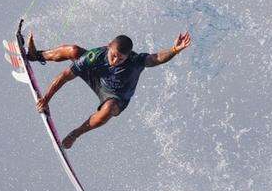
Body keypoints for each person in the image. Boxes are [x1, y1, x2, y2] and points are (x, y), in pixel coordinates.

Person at [26, 31, 191, 149]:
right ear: (108, 46)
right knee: (74, 50)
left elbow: (156, 58)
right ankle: (37, 56)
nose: (115, 60)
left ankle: (75, 134)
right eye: (113, 55)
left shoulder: (135, 61)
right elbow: (65, 75)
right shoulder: (96, 55)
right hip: (97, 77)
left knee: (109, 110)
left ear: (127, 56)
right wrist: (46, 99)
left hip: (116, 97)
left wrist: (174, 50)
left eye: (121, 58)